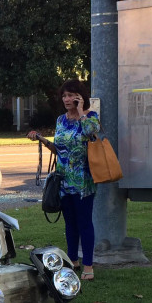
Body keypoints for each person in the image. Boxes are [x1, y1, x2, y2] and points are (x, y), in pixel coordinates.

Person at [27, 80, 100, 281]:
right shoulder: (61, 120)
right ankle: (73, 260)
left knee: (85, 223)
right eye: (64, 96)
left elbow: (90, 133)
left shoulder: (91, 117)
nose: (66, 99)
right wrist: (41, 139)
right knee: (70, 223)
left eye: (71, 95)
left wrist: (81, 110)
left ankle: (88, 266)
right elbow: (60, 150)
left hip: (83, 180)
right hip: (63, 180)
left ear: (80, 96)